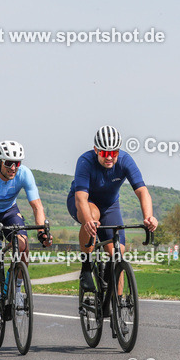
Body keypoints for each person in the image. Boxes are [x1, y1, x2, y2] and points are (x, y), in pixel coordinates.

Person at [68, 125, 158, 292]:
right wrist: (88, 221)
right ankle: (86, 268)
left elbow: (142, 191)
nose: (109, 157)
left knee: (117, 254)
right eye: (104, 153)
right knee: (93, 215)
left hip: (110, 206)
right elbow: (81, 197)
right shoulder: (85, 161)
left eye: (113, 153)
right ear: (96, 150)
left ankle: (117, 303)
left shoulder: (125, 160)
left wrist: (149, 217)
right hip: (83, 203)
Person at [0, 140, 50, 322]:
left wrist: (42, 232)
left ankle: (17, 290)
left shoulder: (24, 174)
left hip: (9, 212)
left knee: (23, 246)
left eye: (17, 163)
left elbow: (37, 206)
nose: (13, 167)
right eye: (9, 163)